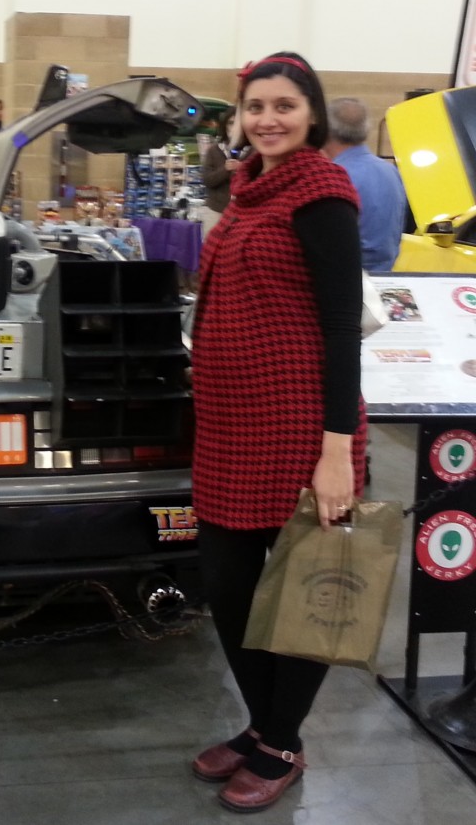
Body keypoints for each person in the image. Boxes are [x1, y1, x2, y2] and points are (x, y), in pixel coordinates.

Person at [190, 52, 366, 813]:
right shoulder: (248, 192)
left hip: (302, 429)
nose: (268, 118)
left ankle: (283, 740)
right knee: (229, 586)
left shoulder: (323, 195)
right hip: (233, 427)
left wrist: (337, 453)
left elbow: (340, 330)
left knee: (304, 595)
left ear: (312, 114)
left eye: (284, 105)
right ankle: (263, 723)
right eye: (255, 106)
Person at [324, 97, 408, 272]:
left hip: (347, 281)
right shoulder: (391, 172)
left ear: (326, 131)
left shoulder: (334, 178)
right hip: (385, 279)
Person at [199, 106, 240, 238]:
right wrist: (225, 169)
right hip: (216, 210)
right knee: (210, 251)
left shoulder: (253, 152)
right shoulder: (214, 150)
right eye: (231, 123)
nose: (234, 128)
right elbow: (207, 180)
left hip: (242, 214)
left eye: (238, 123)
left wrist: (243, 168)